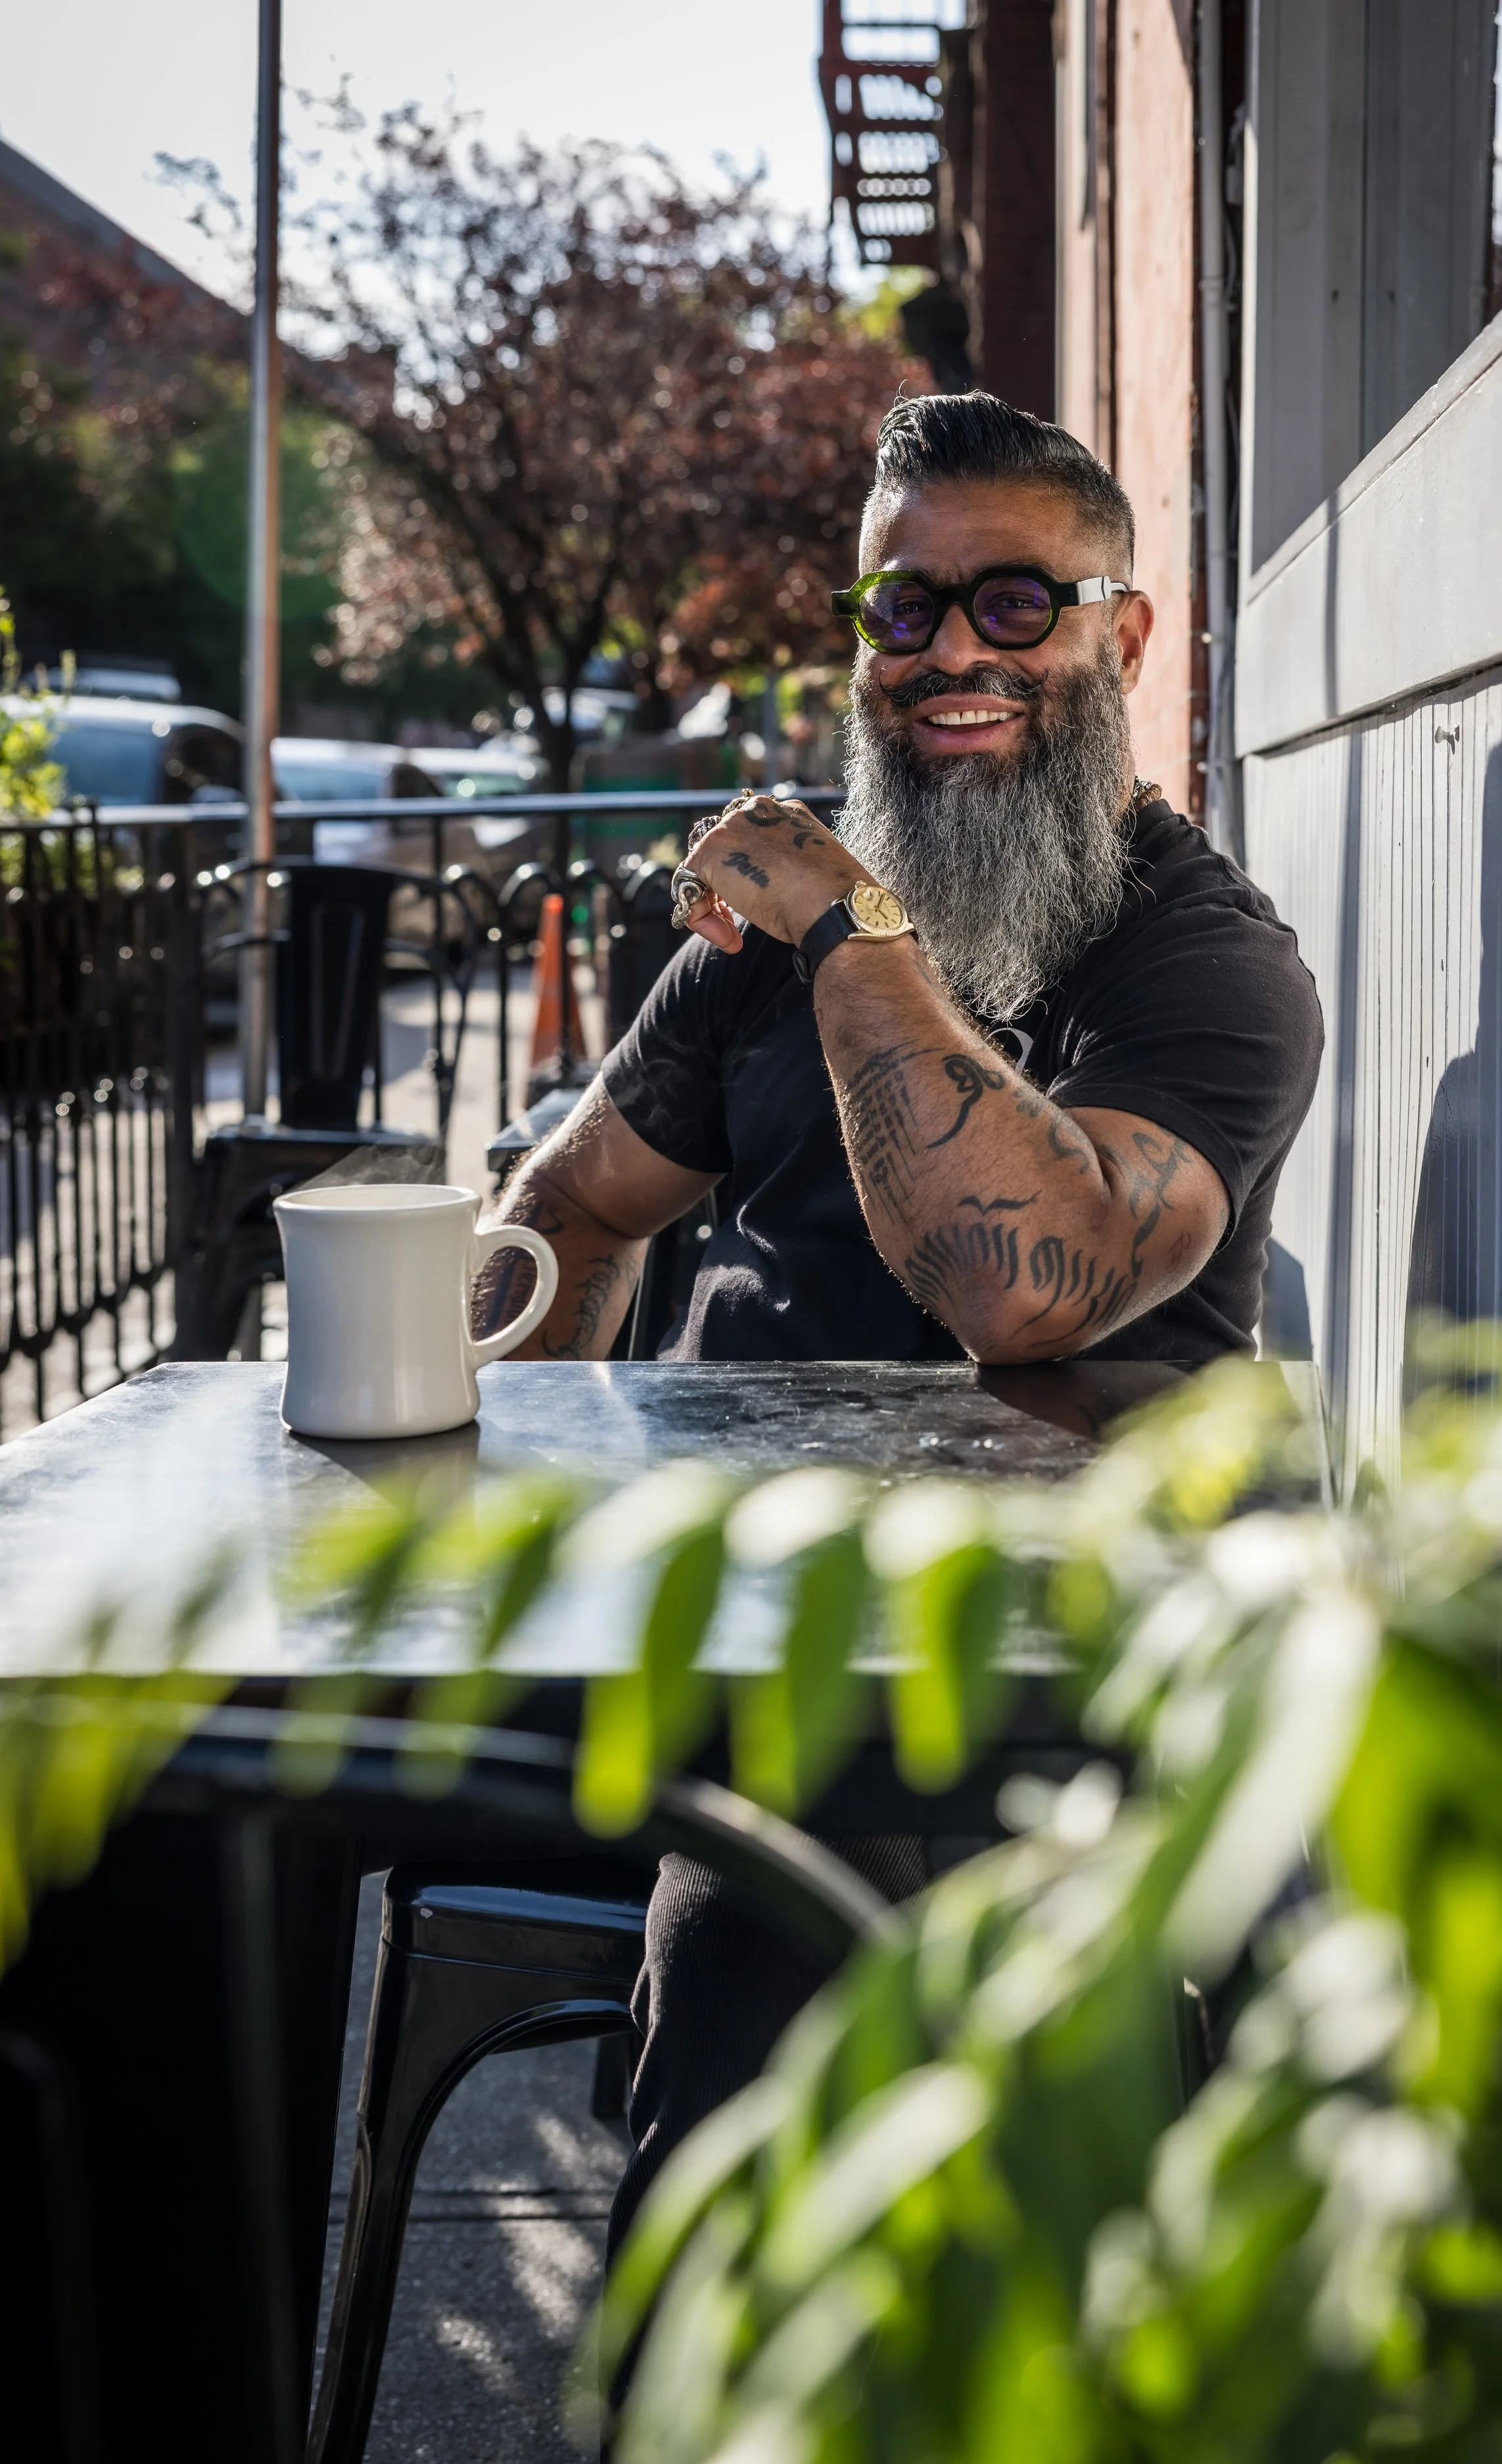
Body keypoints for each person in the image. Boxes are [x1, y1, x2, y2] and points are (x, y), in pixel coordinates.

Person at [480, 391, 1324, 2267]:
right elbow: (573, 1204)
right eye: (897, 607)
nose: (946, 649)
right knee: (217, 1831)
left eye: (1013, 603)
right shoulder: (746, 957)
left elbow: (1019, 1286)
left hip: (1049, 1662)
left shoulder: (1203, 961)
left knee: (821, 1909)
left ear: (1126, 632)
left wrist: (859, 931)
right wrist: (480, 1433)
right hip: (738, 1626)